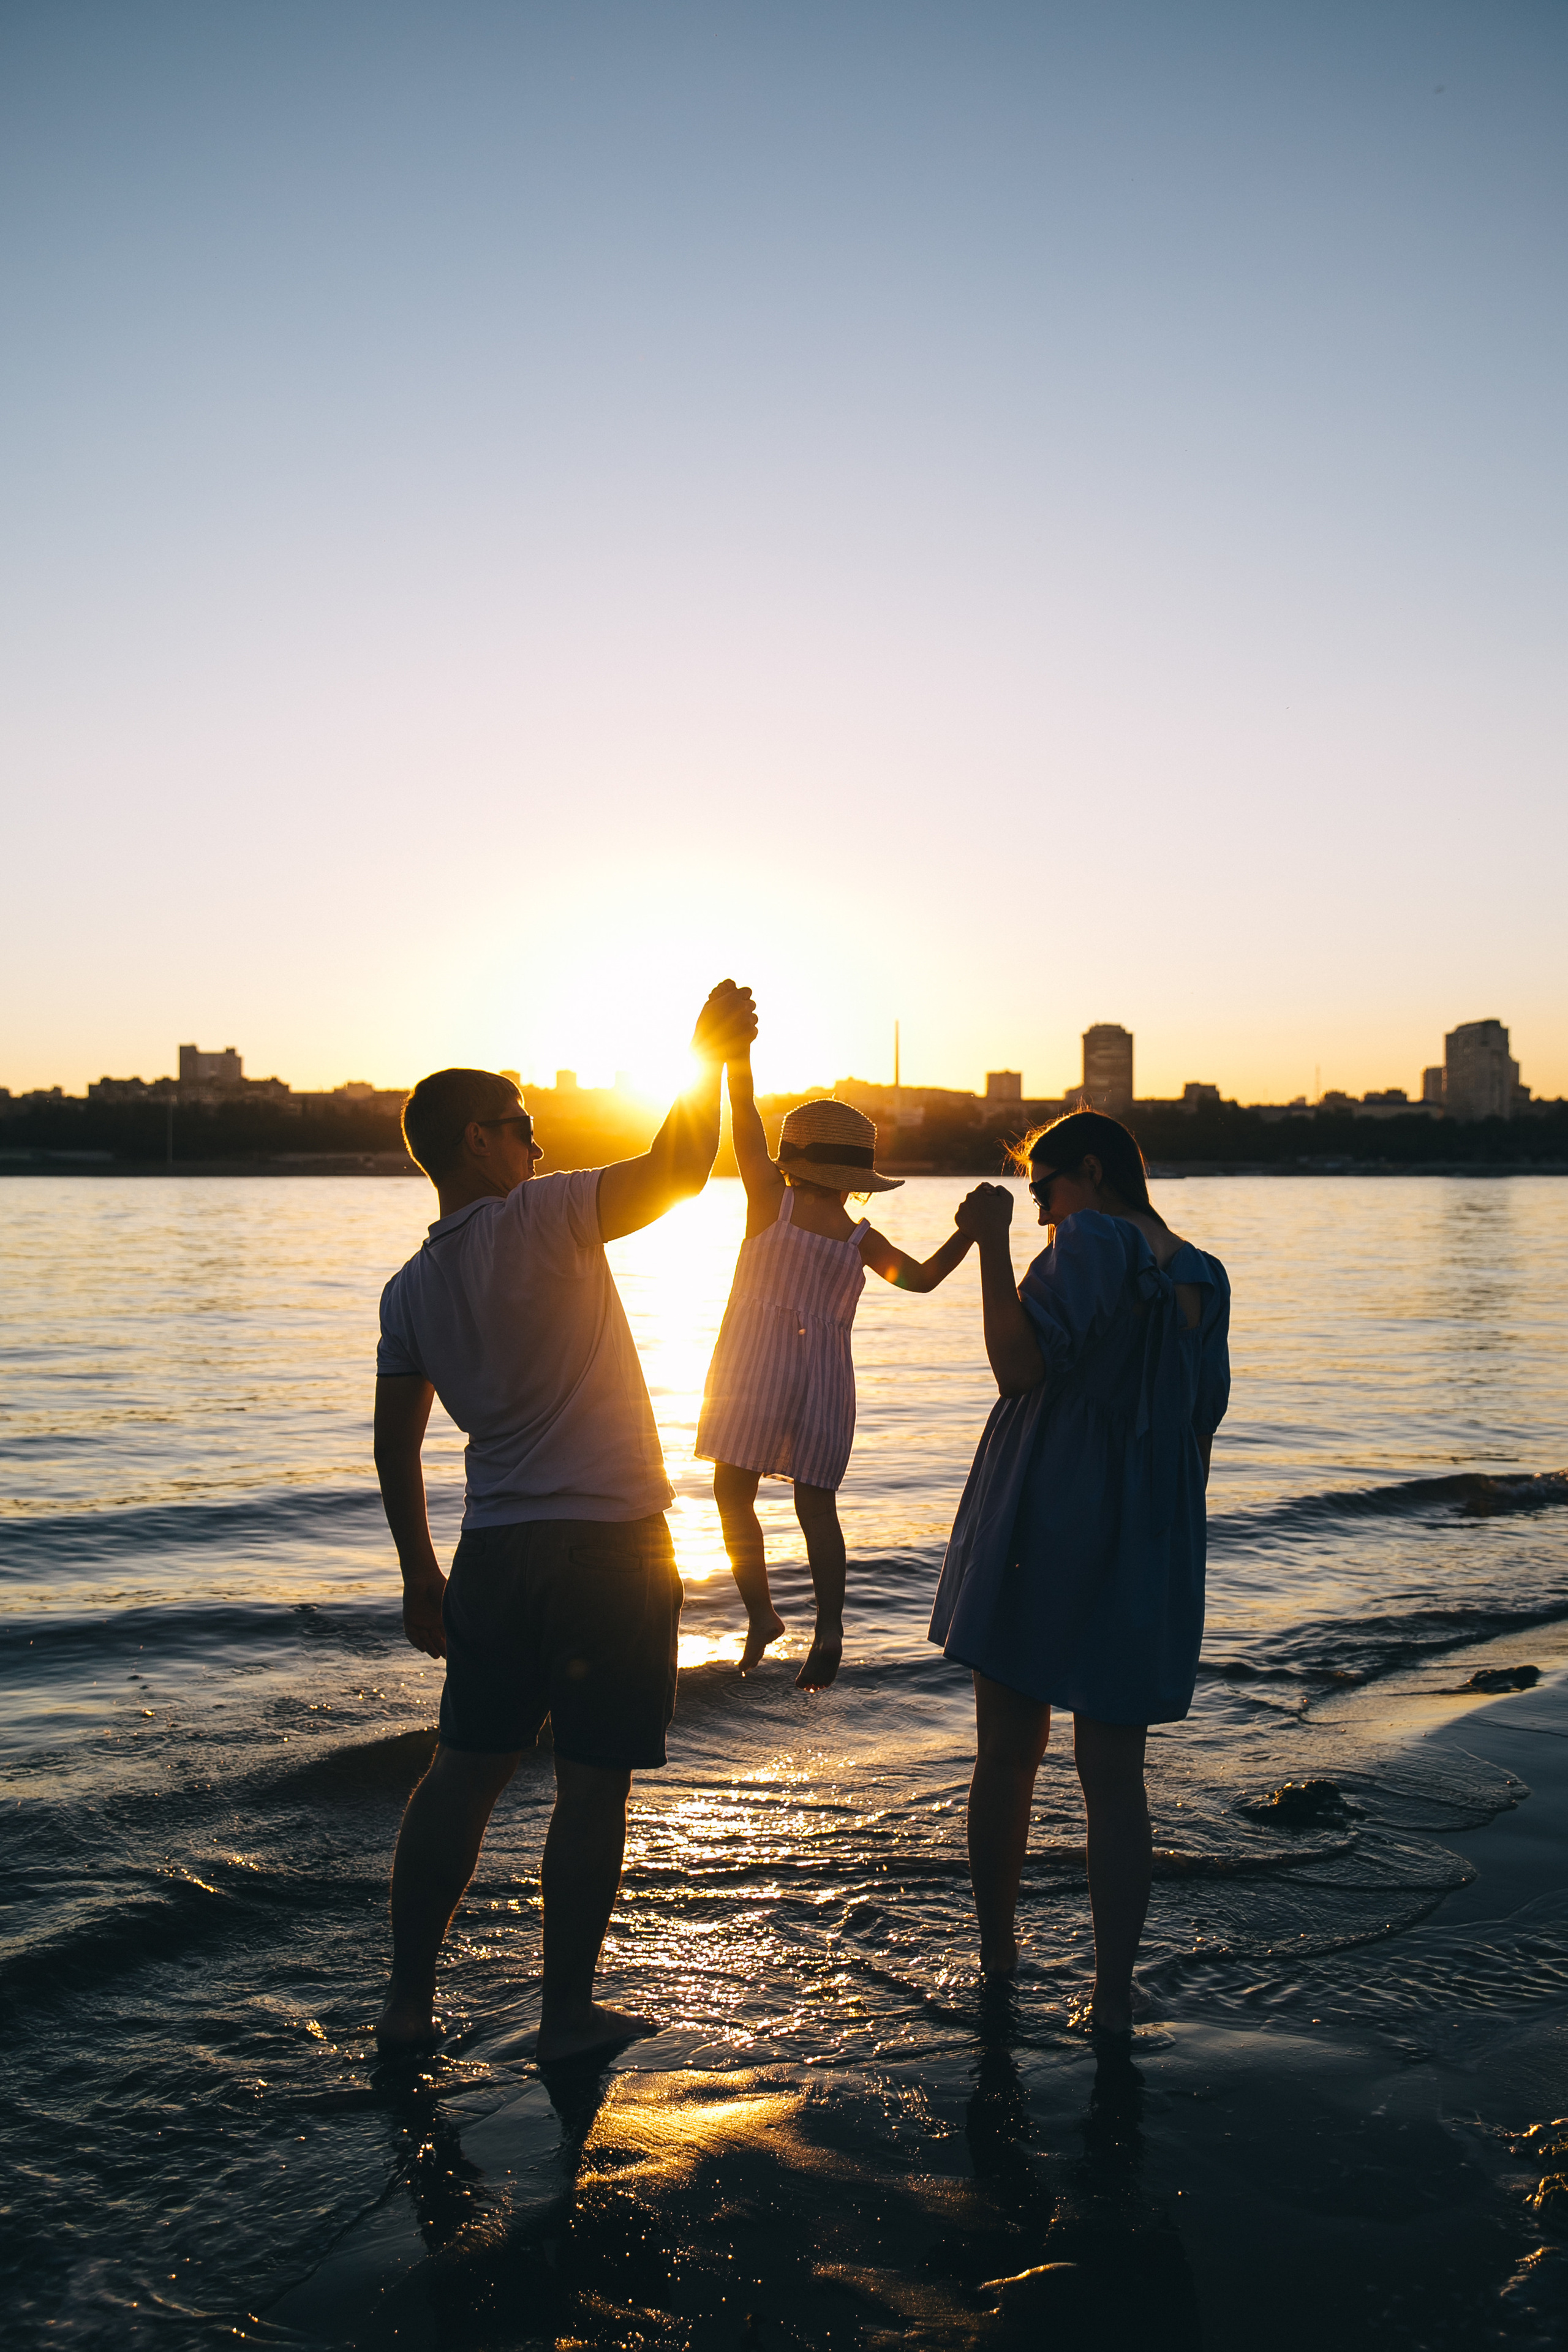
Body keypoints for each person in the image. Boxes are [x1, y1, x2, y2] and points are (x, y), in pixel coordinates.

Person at [372, 980, 757, 2060]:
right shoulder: (542, 1218)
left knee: (462, 1772)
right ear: (476, 1142)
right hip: (610, 1546)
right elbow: (683, 1170)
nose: (538, 1146)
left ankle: (407, 2006)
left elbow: (394, 1444)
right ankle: (563, 2018)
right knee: (593, 1788)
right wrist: (707, 1058)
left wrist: (420, 1574)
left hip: (493, 1554)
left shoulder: (410, 1290)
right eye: (523, 1127)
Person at [928, 1110, 1230, 2037]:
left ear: (1089, 1174)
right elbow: (1201, 1420)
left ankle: (997, 1960)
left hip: (1047, 1509)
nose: (1041, 1211)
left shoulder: (1090, 1239)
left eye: (1042, 1191)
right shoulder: (1204, 1274)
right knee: (1115, 1777)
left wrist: (990, 1246)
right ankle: (1110, 1996)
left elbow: (1019, 1368)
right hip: (1147, 1527)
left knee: (1007, 1758)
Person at [696, 1062, 973, 1689]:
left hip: (752, 1369)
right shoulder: (860, 1239)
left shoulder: (771, 1202)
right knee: (816, 1508)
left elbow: (743, 1121)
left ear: (792, 1162)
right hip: (824, 1381)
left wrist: (738, 1059)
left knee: (731, 1496)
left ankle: (762, 1612)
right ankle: (829, 1627)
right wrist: (969, 1235)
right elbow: (924, 1278)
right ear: (856, 1179)